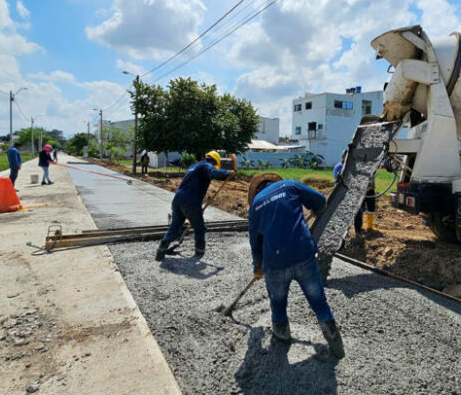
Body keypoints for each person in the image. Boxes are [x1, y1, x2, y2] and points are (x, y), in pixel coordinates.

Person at [247, 175, 345, 359]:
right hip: (303, 254)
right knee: (318, 300)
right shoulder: (289, 185)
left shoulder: (255, 206)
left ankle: (282, 335)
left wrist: (257, 267)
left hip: (275, 263)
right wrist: (316, 209)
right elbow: (321, 200)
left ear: (257, 190)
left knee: (277, 301)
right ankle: (334, 339)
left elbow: (255, 242)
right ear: (273, 181)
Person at [155, 151, 234, 261]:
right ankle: (199, 251)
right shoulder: (207, 166)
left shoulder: (195, 165)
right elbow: (214, 173)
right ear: (214, 161)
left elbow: (210, 175)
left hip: (178, 199)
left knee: (175, 226)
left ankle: (162, 249)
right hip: (191, 201)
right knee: (200, 228)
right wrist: (227, 172)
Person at [333, 149, 377, 233]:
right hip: (344, 193)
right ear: (343, 156)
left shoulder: (356, 165)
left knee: (360, 210)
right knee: (352, 212)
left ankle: (360, 229)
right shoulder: (340, 166)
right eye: (347, 155)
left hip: (360, 191)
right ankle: (343, 231)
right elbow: (340, 181)